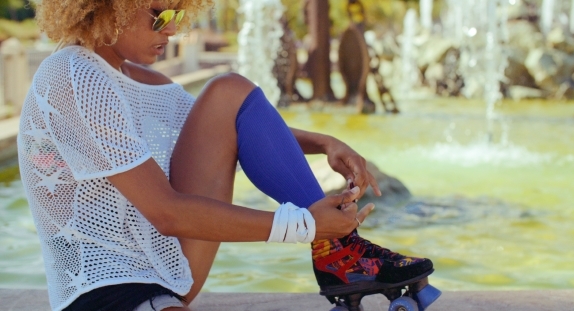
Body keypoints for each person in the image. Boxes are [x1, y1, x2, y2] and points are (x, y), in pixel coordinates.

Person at [17, 1, 433, 310]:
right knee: (225, 90)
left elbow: (231, 126)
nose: (174, 30)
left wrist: (324, 142)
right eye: (161, 15)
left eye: (180, 15)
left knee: (228, 91)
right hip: (105, 291)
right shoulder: (73, 74)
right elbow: (167, 212)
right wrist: (303, 225)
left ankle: (340, 253)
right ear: (109, 6)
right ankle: (337, 250)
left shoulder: (140, 80)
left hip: (164, 266)